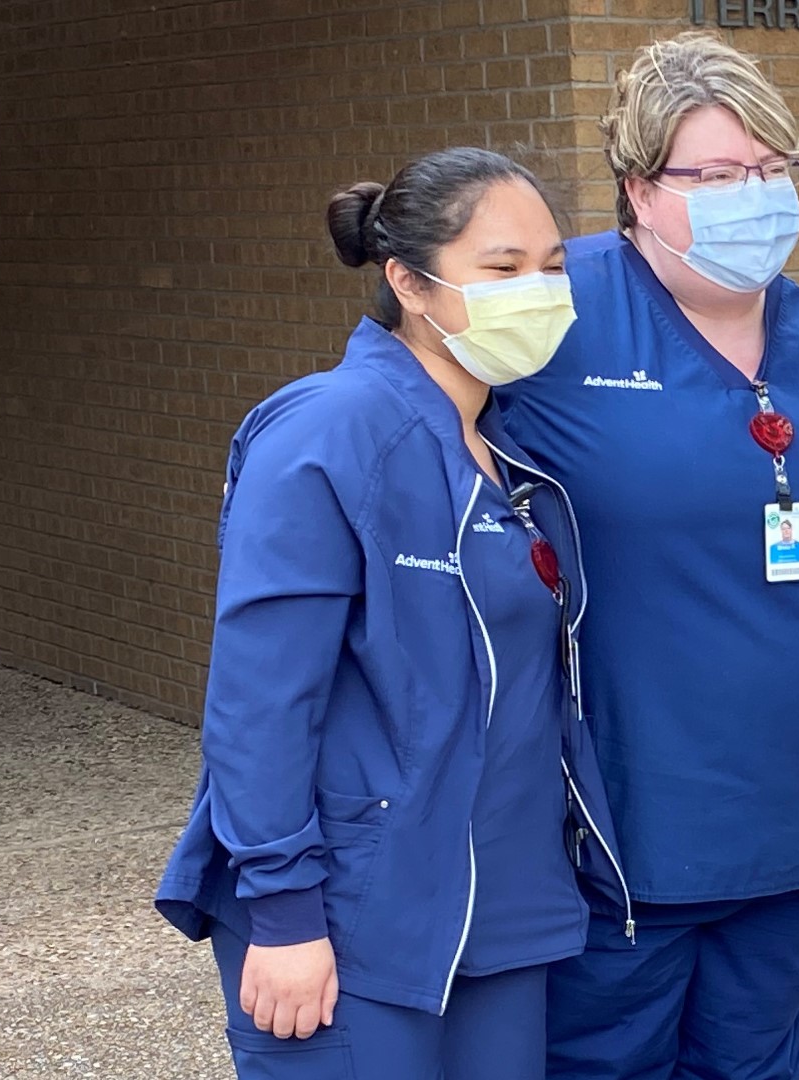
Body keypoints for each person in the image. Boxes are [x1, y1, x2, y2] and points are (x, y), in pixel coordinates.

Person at [155, 147, 628, 1080]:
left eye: (552, 266)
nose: (536, 291)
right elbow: (260, 699)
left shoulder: (509, 454)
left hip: (504, 910)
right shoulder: (327, 433)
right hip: (355, 918)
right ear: (408, 281)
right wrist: (285, 913)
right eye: (502, 269)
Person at [492, 33, 799, 1080]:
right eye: (710, 176)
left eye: (768, 171)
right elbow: (401, 407)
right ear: (637, 189)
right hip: (622, 831)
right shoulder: (555, 313)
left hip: (793, 822)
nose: (747, 198)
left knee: (756, 1062)